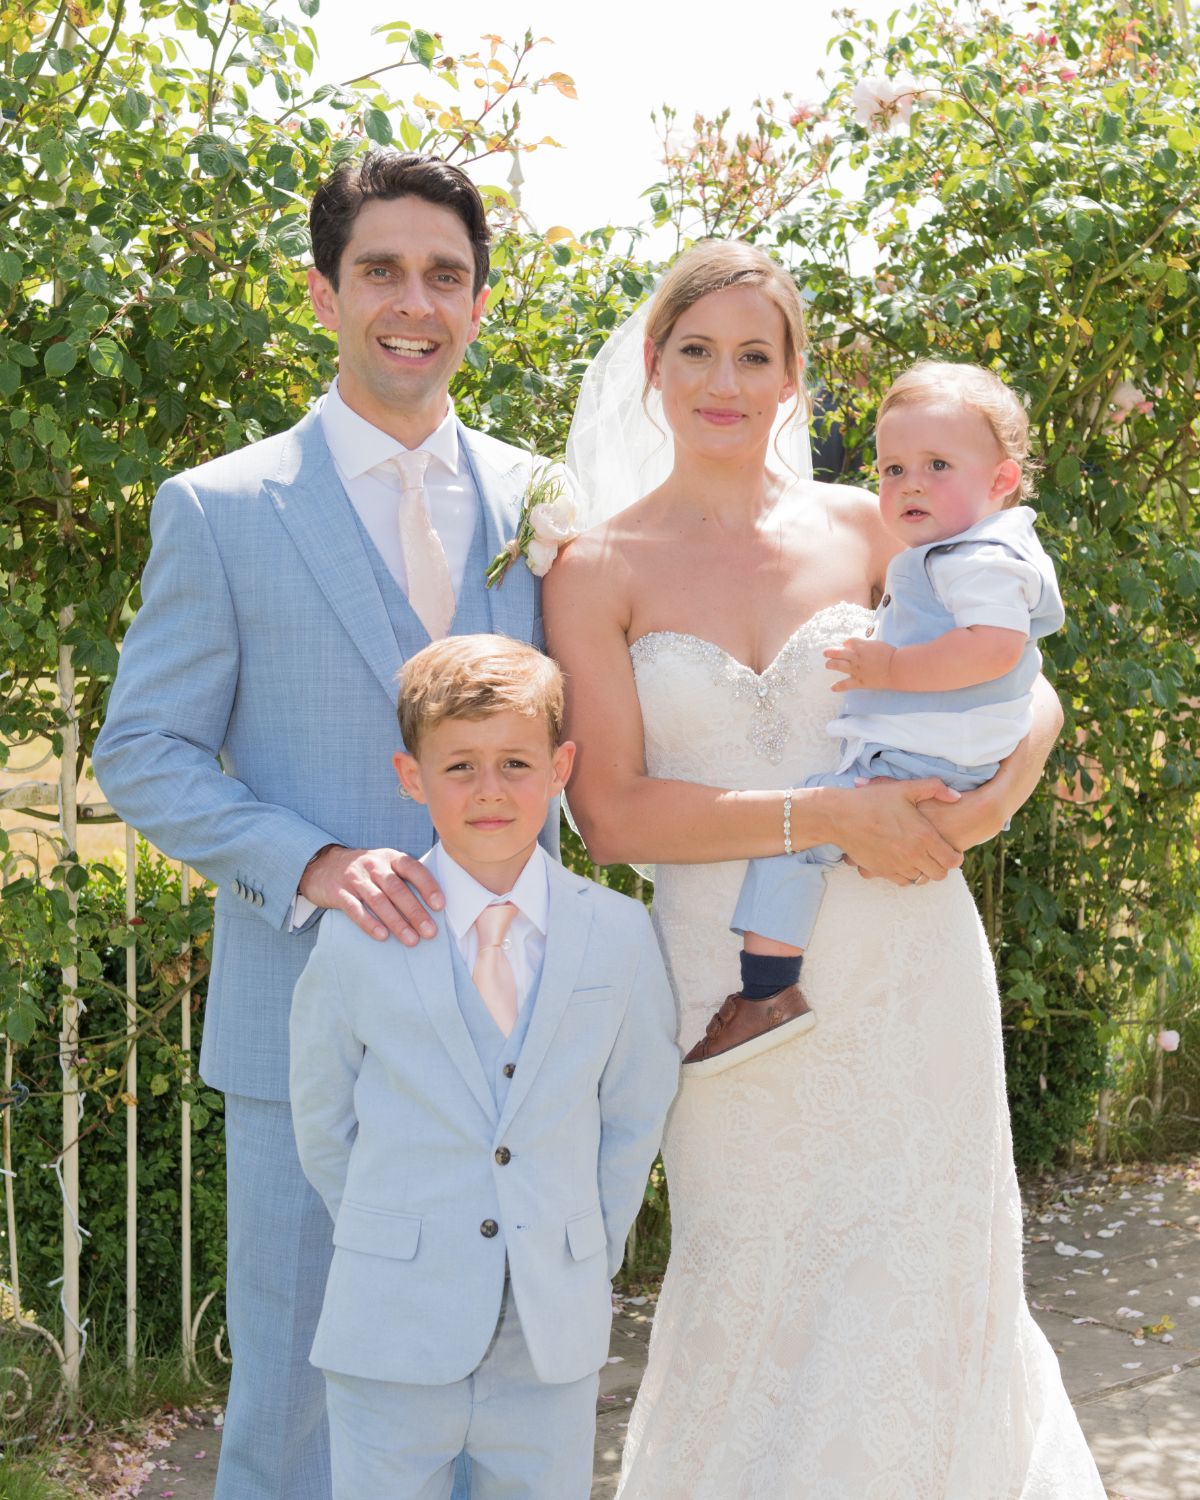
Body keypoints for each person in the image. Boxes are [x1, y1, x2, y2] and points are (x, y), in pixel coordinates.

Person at [545, 240, 1106, 1497]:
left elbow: (1023, 684)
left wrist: (982, 808)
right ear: (654, 363)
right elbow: (615, 816)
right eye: (698, 350)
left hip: (911, 964)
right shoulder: (596, 569)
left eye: (757, 354)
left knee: (927, 1272)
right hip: (740, 995)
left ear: (796, 379)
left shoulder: (871, 522)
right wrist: (827, 817)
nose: (725, 380)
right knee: (753, 1277)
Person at [92, 151, 554, 1500]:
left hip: (510, 1032)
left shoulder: (543, 507)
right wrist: (312, 861)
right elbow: (146, 753)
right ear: (323, 291)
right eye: (382, 270)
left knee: (495, 1391)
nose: (416, 300)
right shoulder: (221, 509)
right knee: (295, 1402)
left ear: (478, 302)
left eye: (447, 274)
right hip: (305, 1025)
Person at [289, 634, 678, 1500]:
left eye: (514, 762)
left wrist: (583, 1247)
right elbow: (324, 1117)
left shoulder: (616, 933)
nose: (490, 790)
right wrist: (393, 1237)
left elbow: (634, 1111)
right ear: (410, 775)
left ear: (560, 766)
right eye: (458, 767)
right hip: (390, 1323)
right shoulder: (357, 936)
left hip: (551, 1327)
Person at [686, 358, 1065, 1074]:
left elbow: (996, 652)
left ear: (1002, 481)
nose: (909, 483)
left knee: (796, 840)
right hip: (941, 754)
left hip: (929, 762)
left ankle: (766, 993)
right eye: (892, 469)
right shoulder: (957, 548)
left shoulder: (978, 557)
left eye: (936, 464)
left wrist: (891, 671)